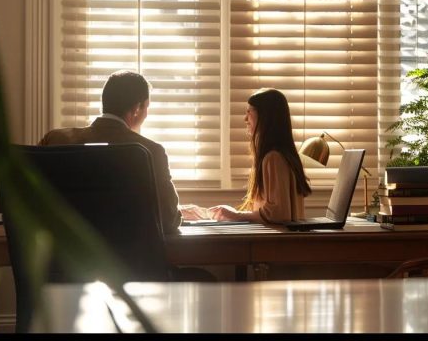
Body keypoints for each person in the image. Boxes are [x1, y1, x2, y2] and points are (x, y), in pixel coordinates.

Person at [39, 70, 182, 234]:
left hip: (65, 254)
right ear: (137, 108)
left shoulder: (55, 139)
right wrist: (178, 212)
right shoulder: (150, 151)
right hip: (128, 256)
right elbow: (168, 219)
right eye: (146, 107)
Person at [182, 88, 312, 223]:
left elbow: (278, 214)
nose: (245, 119)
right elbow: (271, 212)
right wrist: (230, 213)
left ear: (264, 115)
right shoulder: (283, 156)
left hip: (274, 244)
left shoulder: (273, 158)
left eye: (249, 112)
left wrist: (237, 215)